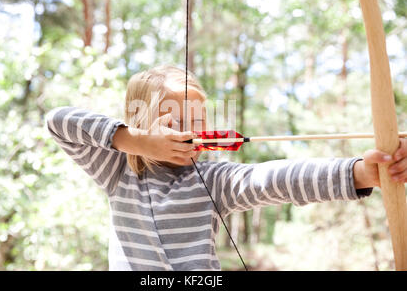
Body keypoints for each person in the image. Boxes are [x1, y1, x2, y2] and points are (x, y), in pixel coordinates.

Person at [45, 64, 407, 270]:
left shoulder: (214, 179)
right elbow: (58, 121)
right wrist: (136, 141)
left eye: (198, 122)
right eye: (174, 122)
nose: (191, 133)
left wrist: (359, 172)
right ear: (141, 122)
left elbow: (272, 180)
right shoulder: (116, 172)